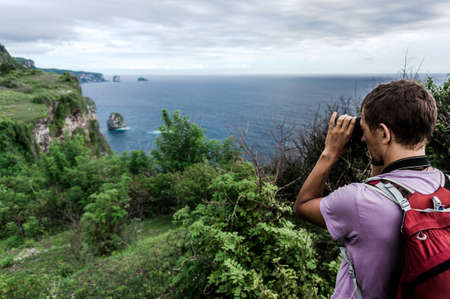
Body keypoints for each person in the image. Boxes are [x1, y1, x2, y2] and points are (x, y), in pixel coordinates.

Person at [293, 80, 441, 298]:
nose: (362, 138)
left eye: (364, 130)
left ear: (383, 133)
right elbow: (387, 186)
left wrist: (330, 153)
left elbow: (302, 206)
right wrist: (378, 154)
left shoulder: (358, 201)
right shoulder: (446, 184)